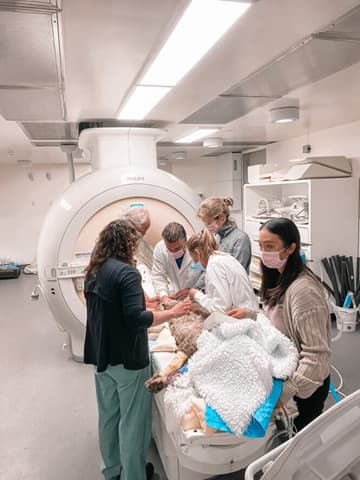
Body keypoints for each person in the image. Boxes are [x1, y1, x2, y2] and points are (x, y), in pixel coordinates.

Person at [84, 219, 191, 480]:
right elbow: (135, 319)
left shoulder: (94, 269)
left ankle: (111, 471)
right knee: (133, 423)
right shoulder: (127, 272)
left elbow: (111, 311)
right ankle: (134, 475)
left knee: (109, 417)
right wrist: (173, 313)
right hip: (128, 360)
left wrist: (146, 305)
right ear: (127, 243)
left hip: (102, 357)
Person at [228, 217, 331, 432]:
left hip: (306, 386)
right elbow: (276, 321)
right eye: (261, 246)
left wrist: (285, 392)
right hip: (285, 373)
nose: (264, 253)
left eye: (270, 246)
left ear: (290, 248)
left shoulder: (303, 291)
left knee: (302, 444)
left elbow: (316, 356)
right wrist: (249, 314)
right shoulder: (279, 278)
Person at [184, 229, 258, 314]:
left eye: (194, 259)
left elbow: (220, 309)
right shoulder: (223, 258)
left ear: (197, 253)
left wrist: (196, 295)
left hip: (241, 318)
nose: (195, 263)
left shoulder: (214, 265)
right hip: (249, 312)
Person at [151, 222, 204, 302]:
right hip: (178, 294)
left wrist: (193, 291)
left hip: (199, 295)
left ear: (186, 241)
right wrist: (163, 295)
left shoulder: (197, 248)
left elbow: (205, 273)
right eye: (169, 249)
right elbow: (158, 276)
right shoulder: (160, 249)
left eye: (177, 249)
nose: (173, 252)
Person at [197, 196, 251, 272]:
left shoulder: (240, 239)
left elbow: (237, 274)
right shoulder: (217, 237)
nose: (206, 227)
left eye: (208, 223)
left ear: (222, 218)